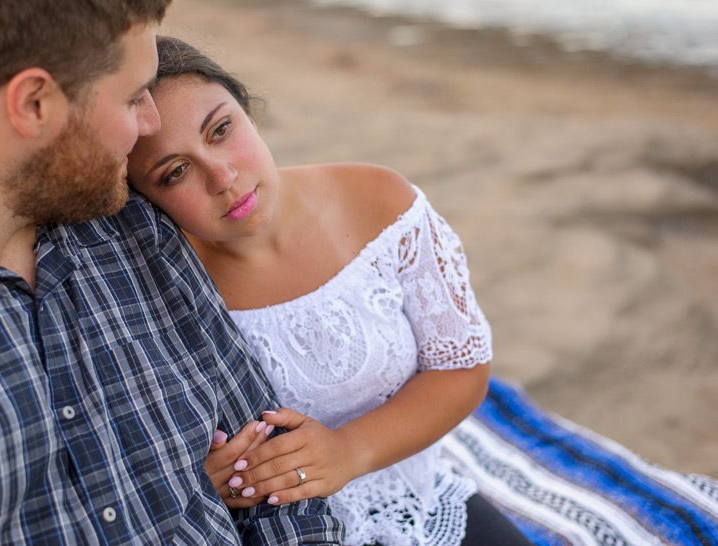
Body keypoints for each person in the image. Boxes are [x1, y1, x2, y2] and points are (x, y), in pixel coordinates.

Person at [0, 2, 343, 544]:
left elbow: (283, 491)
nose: (149, 124)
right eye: (134, 98)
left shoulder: (129, 221)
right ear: (34, 103)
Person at [127, 36, 533, 546]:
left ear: (247, 110)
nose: (223, 176)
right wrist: (198, 481)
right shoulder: (157, 286)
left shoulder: (383, 204)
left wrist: (349, 451)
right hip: (274, 528)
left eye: (222, 130)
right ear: (145, 197)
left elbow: (462, 367)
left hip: (409, 491)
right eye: (175, 172)